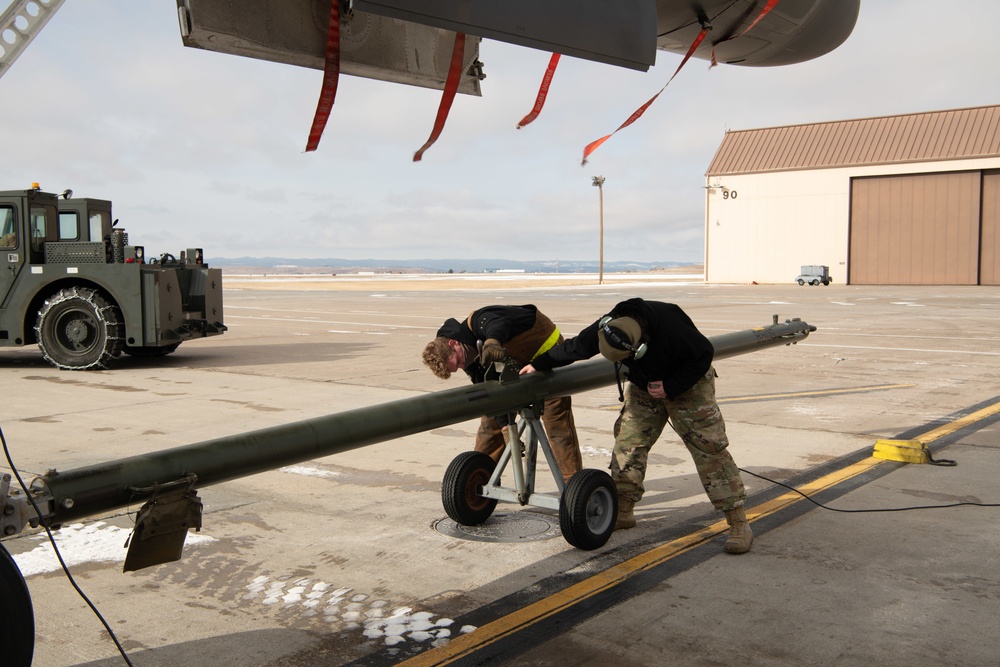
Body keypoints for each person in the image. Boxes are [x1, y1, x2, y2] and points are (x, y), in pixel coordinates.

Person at [520, 297, 752, 554]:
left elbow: (702, 356)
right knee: (628, 446)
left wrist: (670, 387)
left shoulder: (673, 331)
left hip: (689, 384)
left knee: (708, 449)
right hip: (645, 386)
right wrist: (539, 364)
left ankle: (738, 523)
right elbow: (576, 347)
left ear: (639, 346)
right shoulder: (609, 326)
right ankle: (623, 510)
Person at [422, 304, 583, 484]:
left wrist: (492, 341)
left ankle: (573, 486)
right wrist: (505, 426)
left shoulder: (478, 321)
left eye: (458, 361)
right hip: (517, 369)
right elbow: (489, 394)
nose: (462, 366)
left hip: (548, 358)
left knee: (557, 423)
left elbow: (498, 324)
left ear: (453, 343)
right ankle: (478, 481)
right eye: (458, 367)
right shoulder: (469, 358)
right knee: (490, 425)